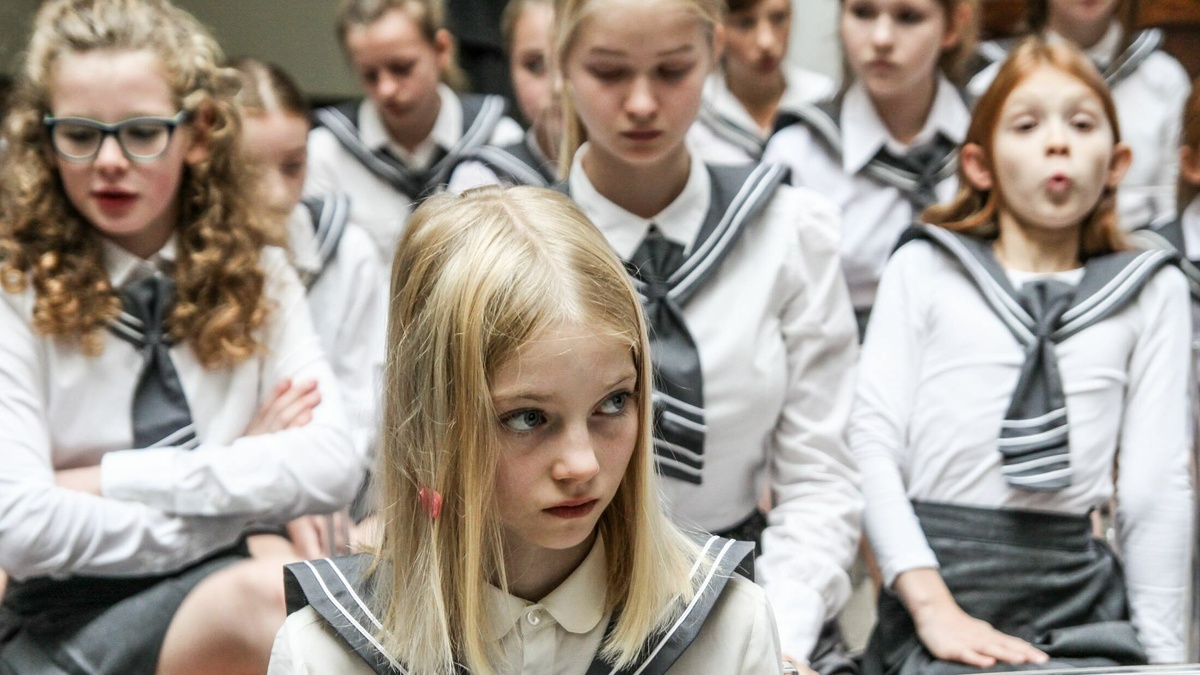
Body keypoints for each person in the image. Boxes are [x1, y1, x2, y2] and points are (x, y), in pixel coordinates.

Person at [267, 186, 784, 674]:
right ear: (430, 425)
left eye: (613, 402)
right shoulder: (325, 653)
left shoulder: (725, 628)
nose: (582, 464)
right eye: (528, 418)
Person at [0, 0, 367, 673]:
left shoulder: (260, 270)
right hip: (66, 611)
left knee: (302, 598)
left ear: (197, 133)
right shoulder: (14, 286)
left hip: (220, 581)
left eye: (141, 131)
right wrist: (233, 477)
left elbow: (331, 461)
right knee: (277, 597)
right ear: (44, 137)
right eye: (79, 133)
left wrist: (107, 476)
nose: (108, 160)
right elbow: (22, 525)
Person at [851, 37, 1193, 674]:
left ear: (1116, 162)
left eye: (1082, 123)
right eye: (1028, 124)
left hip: (1080, 602)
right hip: (940, 591)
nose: (1058, 142)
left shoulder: (1153, 288)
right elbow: (869, 443)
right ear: (979, 165)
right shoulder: (924, 266)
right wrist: (931, 608)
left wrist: (1165, 663)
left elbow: (1154, 489)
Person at [554, 0, 863, 671]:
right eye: (609, 72)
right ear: (562, 61)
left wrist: (778, 634)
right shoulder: (523, 241)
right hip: (555, 601)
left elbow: (820, 474)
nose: (642, 102)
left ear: (714, 52)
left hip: (748, 586)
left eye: (673, 70)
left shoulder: (784, 228)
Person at [232, 57, 386, 552]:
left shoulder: (346, 251)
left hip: (340, 497)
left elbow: (362, 402)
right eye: (249, 172)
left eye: (293, 166)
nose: (278, 194)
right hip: (231, 499)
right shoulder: (183, 266)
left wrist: (312, 476)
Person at [764, 0, 976, 335]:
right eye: (862, 12)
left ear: (952, 27)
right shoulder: (798, 152)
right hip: (841, 363)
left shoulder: (992, 137)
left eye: (908, 17)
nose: (881, 38)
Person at [305, 0, 524, 262]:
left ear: (442, 49)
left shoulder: (500, 142)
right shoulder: (325, 153)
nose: (386, 89)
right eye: (369, 75)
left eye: (402, 68)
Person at [968, 0, 1191, 231]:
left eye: (1082, 124)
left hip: (1139, 247)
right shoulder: (993, 82)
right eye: (1027, 125)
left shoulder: (1163, 78)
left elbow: (1169, 204)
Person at [687, 0, 835, 165]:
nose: (766, 42)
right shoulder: (693, 112)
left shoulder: (826, 100)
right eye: (745, 23)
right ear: (717, 31)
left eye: (778, 18)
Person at [447, 0, 561, 189]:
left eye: (568, 62)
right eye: (535, 65)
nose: (557, 86)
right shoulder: (482, 179)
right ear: (509, 66)